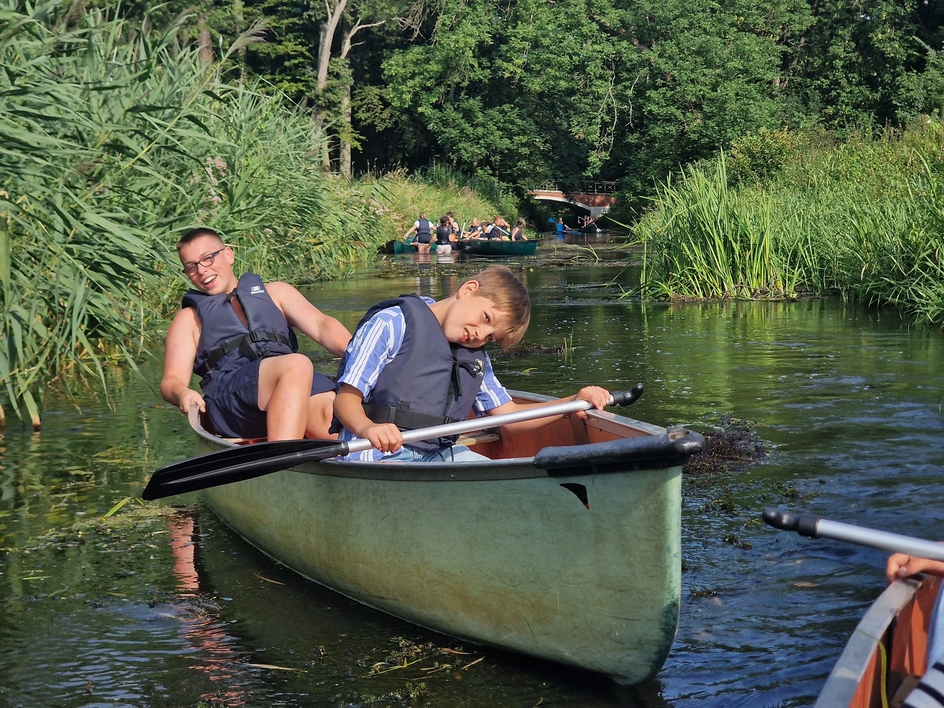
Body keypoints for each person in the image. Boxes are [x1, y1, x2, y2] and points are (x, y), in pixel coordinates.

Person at [331, 265, 611, 462]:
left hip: (437, 455)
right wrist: (369, 428)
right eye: (486, 318)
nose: (480, 335)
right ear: (468, 289)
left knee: (499, 479)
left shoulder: (473, 355)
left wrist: (573, 401)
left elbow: (509, 416)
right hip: (377, 455)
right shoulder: (392, 323)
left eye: (490, 337)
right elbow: (345, 401)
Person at [161, 227, 352, 441]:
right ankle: (279, 462)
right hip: (232, 396)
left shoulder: (277, 292)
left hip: (290, 381)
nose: (202, 270)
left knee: (334, 415)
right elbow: (171, 380)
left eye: (207, 259)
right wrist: (182, 393)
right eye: (191, 267)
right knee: (297, 365)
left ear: (228, 254)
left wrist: (363, 355)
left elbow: (321, 325)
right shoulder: (189, 318)